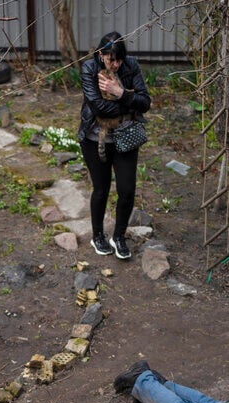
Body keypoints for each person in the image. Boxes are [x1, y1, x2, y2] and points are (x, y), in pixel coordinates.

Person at [78, 31, 151, 260]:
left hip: (125, 137)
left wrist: (120, 93)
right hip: (95, 137)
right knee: (101, 190)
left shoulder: (131, 65)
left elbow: (145, 102)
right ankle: (97, 235)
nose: (116, 64)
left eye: (120, 59)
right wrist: (129, 104)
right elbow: (98, 108)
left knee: (127, 190)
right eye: (111, 59)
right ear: (101, 54)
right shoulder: (89, 68)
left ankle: (118, 236)